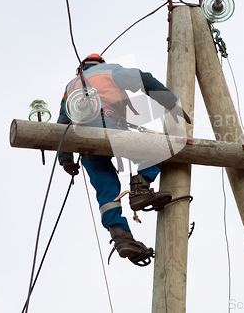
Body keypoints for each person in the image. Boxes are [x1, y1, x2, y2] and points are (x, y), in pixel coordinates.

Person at [57, 54, 191, 266]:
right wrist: (170, 102)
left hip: (84, 144)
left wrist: (65, 158)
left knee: (106, 190)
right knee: (158, 149)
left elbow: (62, 124)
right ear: (99, 63)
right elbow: (143, 79)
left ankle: (121, 237)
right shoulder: (109, 70)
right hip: (111, 127)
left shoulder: (70, 87)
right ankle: (140, 190)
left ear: (80, 69)